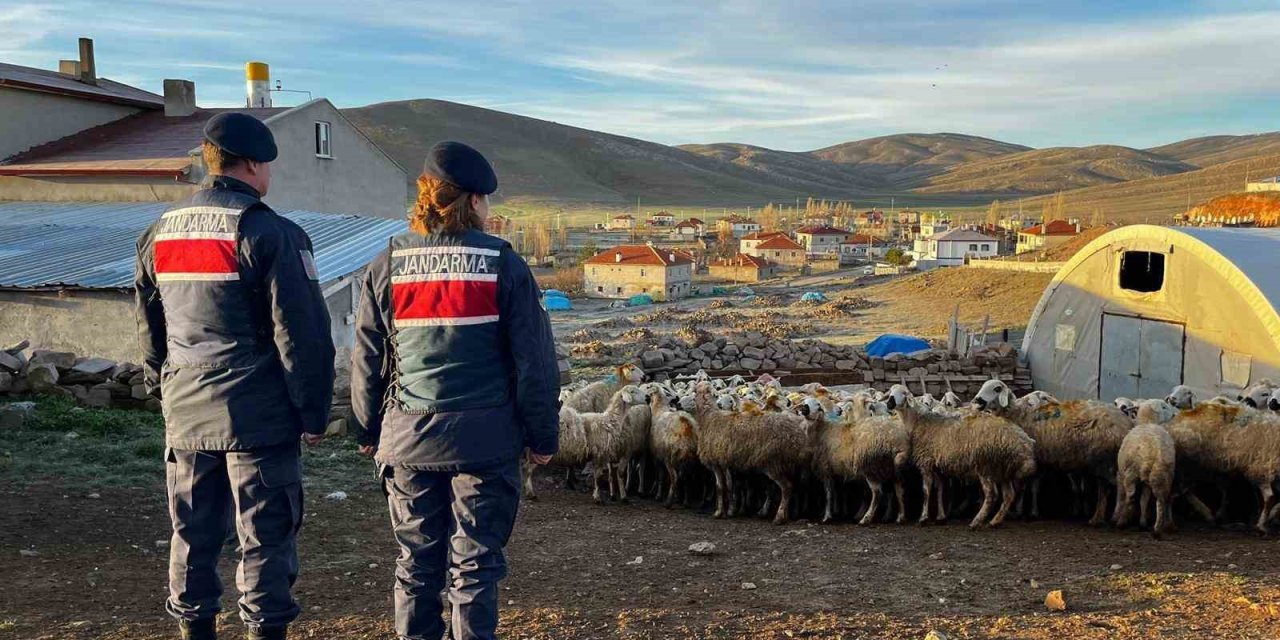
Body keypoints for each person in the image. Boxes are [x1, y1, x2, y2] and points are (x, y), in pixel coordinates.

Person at [134, 112, 336, 640]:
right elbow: (303, 335)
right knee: (265, 539)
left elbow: (151, 328)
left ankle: (194, 630)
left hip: (186, 413)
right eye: (268, 165)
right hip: (259, 418)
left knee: (192, 535)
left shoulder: (158, 233)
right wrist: (312, 413)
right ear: (251, 164)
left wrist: (168, 389)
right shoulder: (271, 232)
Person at [350, 141, 560, 640]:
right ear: (475, 202)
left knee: (417, 564)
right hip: (486, 445)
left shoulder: (390, 263)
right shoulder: (503, 263)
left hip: (408, 440)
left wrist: (366, 427)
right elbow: (534, 360)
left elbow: (366, 355)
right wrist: (542, 436)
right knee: (475, 566)